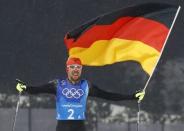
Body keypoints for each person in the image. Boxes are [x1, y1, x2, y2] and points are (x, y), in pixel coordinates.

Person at [16, 57, 145, 131]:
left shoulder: (87, 86)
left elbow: (108, 95)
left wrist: (132, 96)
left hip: (79, 127)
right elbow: (37, 90)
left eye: (78, 67)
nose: (75, 70)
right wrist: (24, 87)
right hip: (63, 127)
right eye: (72, 67)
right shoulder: (57, 84)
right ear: (67, 69)